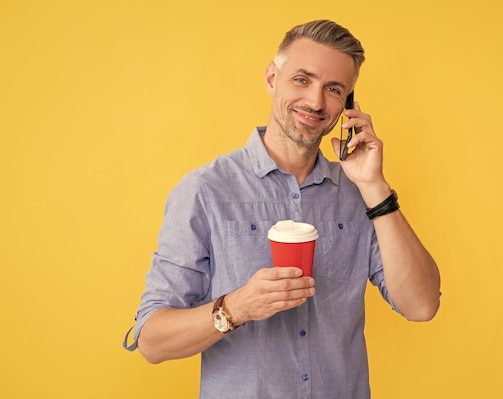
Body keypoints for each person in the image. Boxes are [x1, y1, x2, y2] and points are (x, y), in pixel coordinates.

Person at [123, 19, 441, 398]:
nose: (316, 102)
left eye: (334, 90)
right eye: (302, 80)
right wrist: (237, 308)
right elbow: (152, 341)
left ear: (348, 105)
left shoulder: (362, 196)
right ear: (272, 78)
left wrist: (374, 186)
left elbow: (421, 306)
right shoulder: (205, 192)